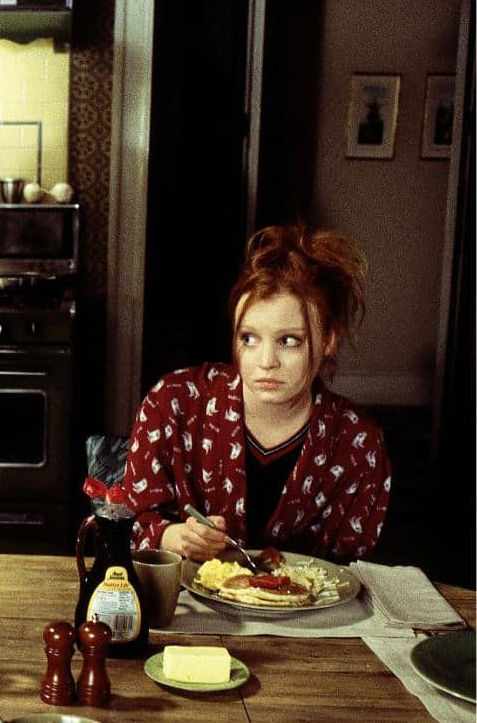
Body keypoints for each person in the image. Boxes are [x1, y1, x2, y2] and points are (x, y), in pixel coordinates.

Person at [121, 224, 392, 563]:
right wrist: (173, 537)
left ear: (329, 340)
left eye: (288, 341)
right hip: (187, 610)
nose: (266, 362)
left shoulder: (358, 443)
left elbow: (351, 572)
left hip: (308, 616)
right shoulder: (172, 403)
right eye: (249, 338)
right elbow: (126, 522)